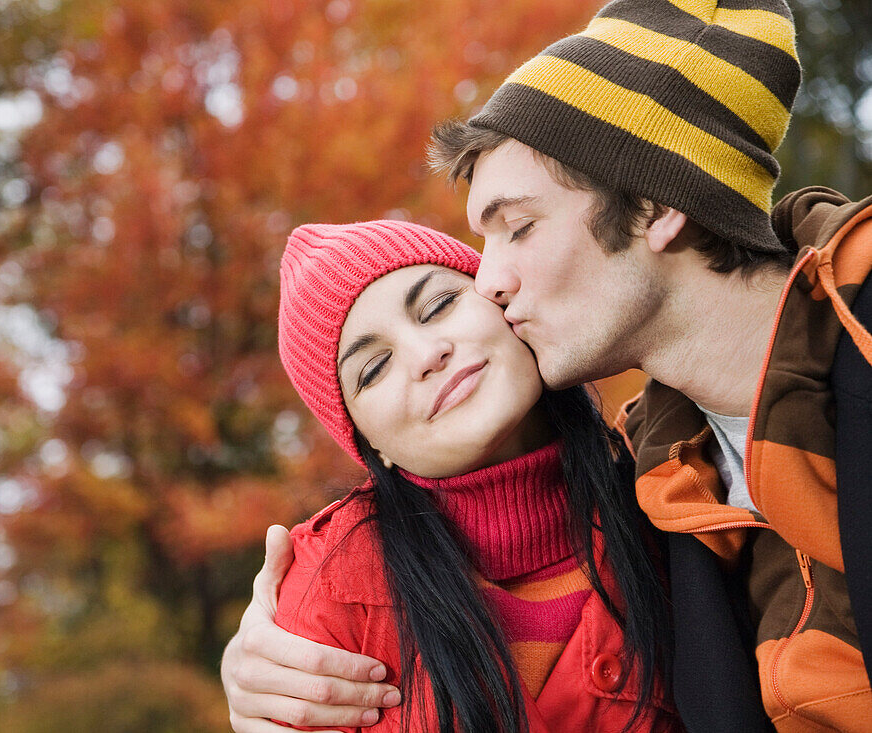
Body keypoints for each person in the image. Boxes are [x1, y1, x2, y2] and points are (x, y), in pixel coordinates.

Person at [222, 0, 872, 730]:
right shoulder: (676, 479)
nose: (490, 282)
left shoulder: (657, 499)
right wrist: (258, 672)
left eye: (518, 227)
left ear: (658, 200)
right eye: (370, 370)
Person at [267, 219, 677, 732]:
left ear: (504, 305)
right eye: (373, 368)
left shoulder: (676, 495)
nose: (426, 355)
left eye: (438, 306)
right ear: (368, 445)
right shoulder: (329, 589)